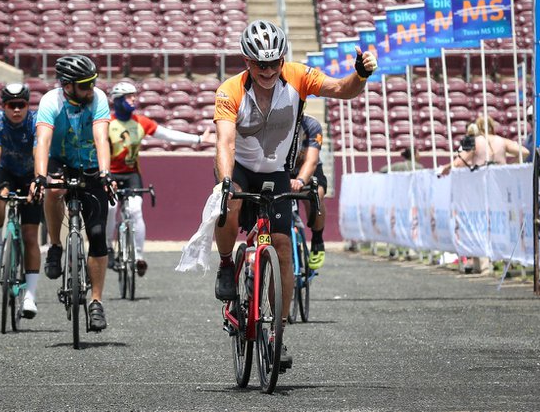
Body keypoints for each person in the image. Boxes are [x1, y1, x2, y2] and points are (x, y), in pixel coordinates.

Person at [213, 19, 377, 370]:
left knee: (283, 247)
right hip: (240, 166)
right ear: (247, 61)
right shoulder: (230, 91)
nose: (269, 71)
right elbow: (225, 141)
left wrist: (360, 75)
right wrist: (227, 181)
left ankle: (277, 332)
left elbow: (342, 89)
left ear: (282, 59)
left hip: (276, 171)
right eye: (261, 64)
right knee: (228, 203)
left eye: (275, 62)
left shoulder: (299, 76)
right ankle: (227, 265)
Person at [30, 55, 116, 332]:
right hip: (60, 161)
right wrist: (40, 176)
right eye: (84, 84)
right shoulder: (50, 101)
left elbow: (101, 136)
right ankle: (55, 245)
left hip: (91, 163)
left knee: (99, 234)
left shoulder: (98, 98)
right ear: (67, 86)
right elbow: (42, 140)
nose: (91, 88)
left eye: (93, 82)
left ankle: (96, 302)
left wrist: (105, 171)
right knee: (53, 190)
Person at [105, 80, 216, 276]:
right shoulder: (107, 123)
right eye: (128, 96)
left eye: (134, 95)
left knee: (136, 210)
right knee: (110, 208)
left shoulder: (140, 122)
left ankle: (139, 256)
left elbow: (167, 135)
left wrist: (198, 139)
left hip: (131, 175)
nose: (133, 99)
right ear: (118, 100)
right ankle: (108, 248)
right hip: (110, 173)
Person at [0, 82, 41, 318]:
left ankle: (31, 297)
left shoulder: (36, 121)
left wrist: (39, 180)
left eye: (21, 105)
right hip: (6, 170)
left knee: (29, 236)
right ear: (3, 106)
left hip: (30, 174)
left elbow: (40, 153)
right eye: (11, 105)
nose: (16, 110)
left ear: (27, 105)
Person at [288, 114, 328, 269]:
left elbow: (311, 161)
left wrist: (300, 181)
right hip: (282, 169)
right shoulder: (273, 122)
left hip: (308, 168)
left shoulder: (312, 125)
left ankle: (318, 240)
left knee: (316, 194)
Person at [438, 116, 529, 175]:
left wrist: (445, 168)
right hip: (501, 178)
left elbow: (459, 162)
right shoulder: (502, 141)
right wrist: (510, 166)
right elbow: (525, 152)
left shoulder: (475, 141)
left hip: (482, 178)